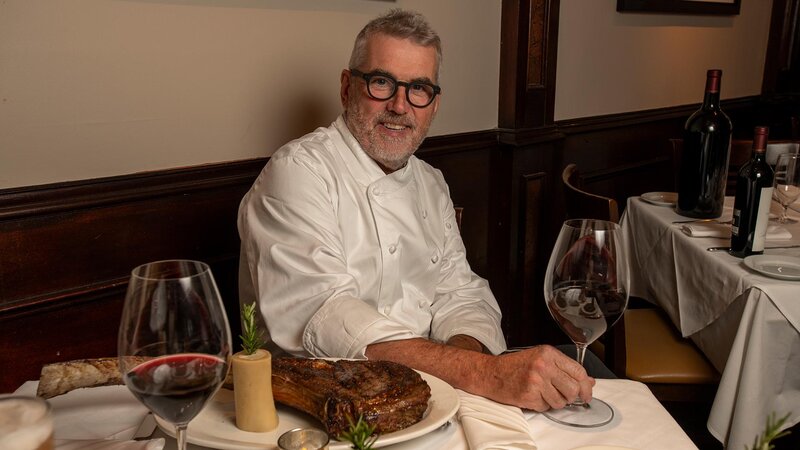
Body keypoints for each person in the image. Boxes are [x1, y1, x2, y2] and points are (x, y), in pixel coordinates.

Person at [238, 8, 598, 412]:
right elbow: (323, 314)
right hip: (324, 412)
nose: (399, 105)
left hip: (433, 397)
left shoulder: (430, 182)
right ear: (346, 87)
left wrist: (463, 368)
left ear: (434, 104)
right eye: (381, 82)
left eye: (419, 89)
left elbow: (462, 294)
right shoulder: (297, 172)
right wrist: (480, 374)